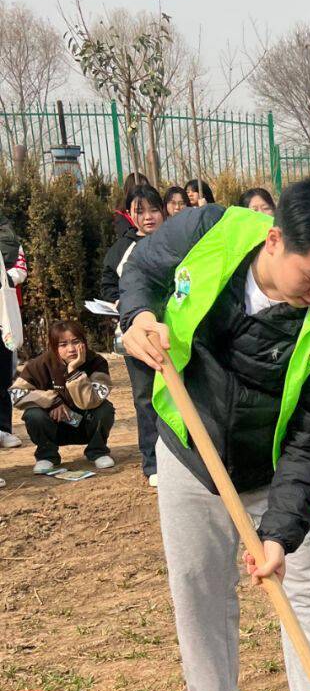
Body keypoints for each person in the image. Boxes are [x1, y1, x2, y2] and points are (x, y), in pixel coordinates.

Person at [119, 177, 310, 691]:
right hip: (191, 445)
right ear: (275, 237)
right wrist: (138, 316)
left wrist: (280, 532)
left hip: (278, 468)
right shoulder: (210, 231)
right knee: (197, 582)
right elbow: (142, 270)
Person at [101, 185, 165, 484]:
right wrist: (121, 302)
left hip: (174, 333)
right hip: (137, 334)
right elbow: (108, 285)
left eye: (154, 209)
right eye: (140, 211)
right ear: (129, 214)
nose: (149, 217)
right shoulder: (122, 249)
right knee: (145, 397)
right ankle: (152, 463)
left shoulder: (178, 241)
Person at [11, 319, 115, 473]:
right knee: (33, 414)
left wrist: (73, 371)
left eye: (76, 342)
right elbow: (16, 394)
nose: (71, 349)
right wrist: (52, 401)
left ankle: (97, 451)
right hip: (54, 426)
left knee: (105, 408)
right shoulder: (40, 364)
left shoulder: (97, 362)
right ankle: (46, 456)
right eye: (63, 344)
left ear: (84, 342)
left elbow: (90, 402)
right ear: (54, 347)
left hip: (85, 424)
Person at [0, 211, 27, 450]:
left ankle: (4, 429)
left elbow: (20, 270)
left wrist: (2, 278)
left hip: (4, 315)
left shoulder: (9, 239)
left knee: (3, 374)